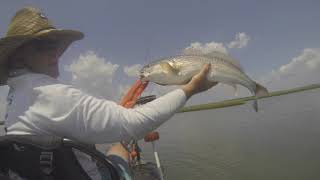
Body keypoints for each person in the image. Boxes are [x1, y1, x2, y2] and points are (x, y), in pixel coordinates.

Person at [0, 7, 217, 180]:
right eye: (43, 45)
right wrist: (190, 89)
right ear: (18, 55)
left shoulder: (15, 100)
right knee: (122, 144)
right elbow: (134, 123)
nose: (56, 51)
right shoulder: (47, 94)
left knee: (116, 146)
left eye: (55, 44)